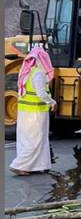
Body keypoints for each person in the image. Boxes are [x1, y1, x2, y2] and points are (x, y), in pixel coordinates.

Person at [9, 47, 57, 176]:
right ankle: (19, 165)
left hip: (25, 111)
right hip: (36, 112)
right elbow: (41, 93)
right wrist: (52, 102)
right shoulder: (38, 74)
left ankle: (39, 165)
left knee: (26, 140)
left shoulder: (25, 72)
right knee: (36, 140)